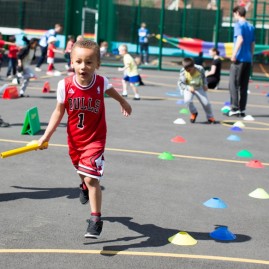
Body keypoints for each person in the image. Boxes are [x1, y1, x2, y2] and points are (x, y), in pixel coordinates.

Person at [37, 40, 132, 238]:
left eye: (89, 62)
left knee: (91, 177)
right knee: (83, 174)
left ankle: (95, 218)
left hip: (95, 139)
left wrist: (123, 101)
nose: (83, 67)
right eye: (78, 61)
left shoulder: (101, 82)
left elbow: (113, 93)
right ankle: (83, 186)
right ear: (71, 62)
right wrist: (46, 136)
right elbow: (58, 112)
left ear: (97, 64)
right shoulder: (65, 85)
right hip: (74, 140)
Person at [227, 5, 255, 117]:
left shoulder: (238, 24)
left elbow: (240, 39)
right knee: (243, 85)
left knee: (233, 84)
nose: (234, 16)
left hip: (239, 59)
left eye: (234, 14)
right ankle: (242, 109)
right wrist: (251, 57)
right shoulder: (251, 26)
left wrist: (234, 54)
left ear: (238, 13)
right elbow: (252, 44)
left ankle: (234, 108)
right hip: (247, 59)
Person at [177, 57, 216, 124]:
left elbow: (203, 77)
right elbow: (180, 83)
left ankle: (210, 117)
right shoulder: (183, 71)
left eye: (189, 70)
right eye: (186, 70)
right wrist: (188, 88)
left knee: (206, 103)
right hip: (188, 87)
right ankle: (194, 113)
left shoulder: (200, 68)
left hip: (199, 87)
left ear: (193, 66)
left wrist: (205, 84)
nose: (187, 71)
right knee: (187, 101)